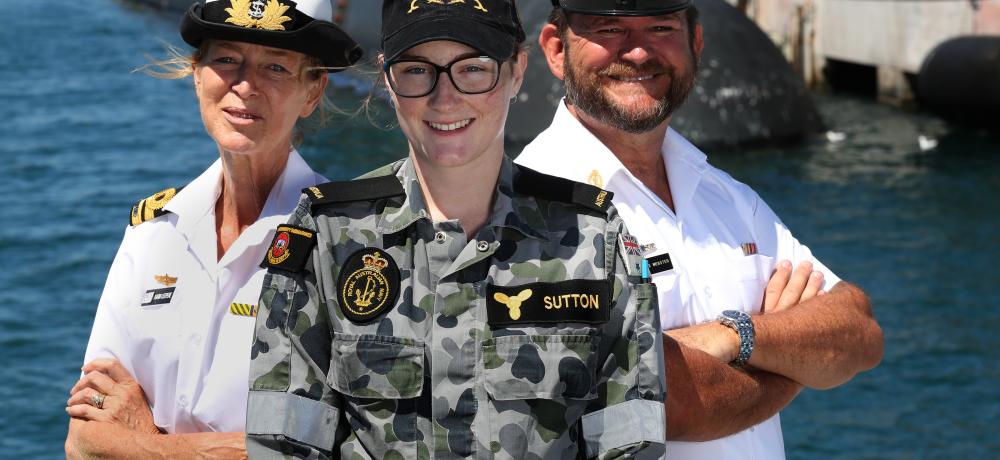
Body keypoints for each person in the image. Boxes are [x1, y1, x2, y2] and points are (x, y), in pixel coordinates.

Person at [244, 0, 667, 457]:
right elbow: (283, 445)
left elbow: (631, 445)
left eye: (473, 69)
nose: (444, 98)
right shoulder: (328, 237)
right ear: (388, 76)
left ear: (516, 71)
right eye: (416, 70)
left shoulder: (593, 239)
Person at [515, 0, 884, 458]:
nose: (636, 52)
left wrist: (733, 336)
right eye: (609, 29)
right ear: (555, 49)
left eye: (661, 26)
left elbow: (859, 333)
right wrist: (793, 361)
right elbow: (676, 405)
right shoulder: (533, 211)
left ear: (696, 43)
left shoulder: (725, 196)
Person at [64, 0, 362, 457]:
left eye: (276, 68)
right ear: (197, 74)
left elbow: (356, 442)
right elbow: (83, 440)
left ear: (312, 93)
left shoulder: (350, 241)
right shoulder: (152, 234)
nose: (246, 85)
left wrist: (143, 443)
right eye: (226, 60)